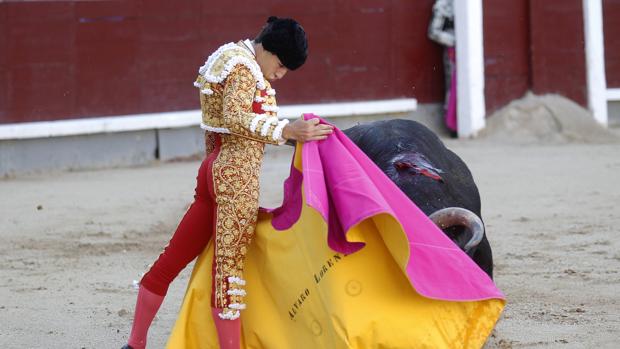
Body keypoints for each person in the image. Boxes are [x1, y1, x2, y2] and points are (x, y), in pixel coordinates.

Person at [121, 16, 333, 349]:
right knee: (229, 274)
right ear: (267, 49)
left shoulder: (227, 56)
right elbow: (236, 118)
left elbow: (218, 124)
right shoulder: (245, 69)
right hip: (236, 177)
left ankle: (134, 344)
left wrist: (288, 137)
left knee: (172, 258)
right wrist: (286, 130)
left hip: (213, 169)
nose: (280, 75)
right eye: (280, 65)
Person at [428, 0, 457, 137]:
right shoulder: (444, 3)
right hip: (453, 50)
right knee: (452, 86)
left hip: (470, 51)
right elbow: (434, 31)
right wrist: (457, 41)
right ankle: (452, 126)